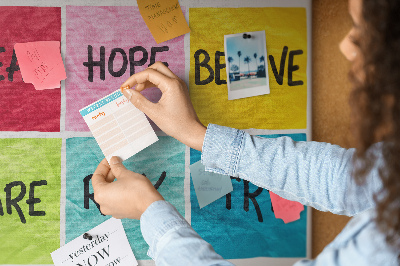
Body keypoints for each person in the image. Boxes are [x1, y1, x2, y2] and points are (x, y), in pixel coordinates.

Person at [91, 0, 400, 264]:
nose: (346, 47)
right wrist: (196, 134)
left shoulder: (385, 247)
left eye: (364, 31)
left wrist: (149, 211)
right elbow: (345, 178)